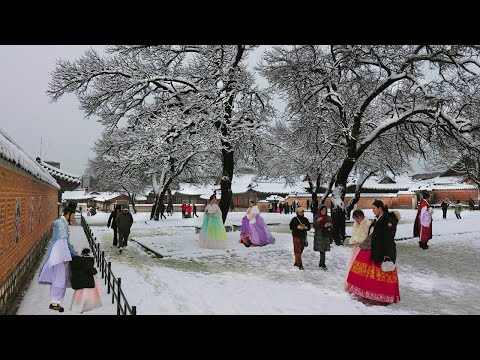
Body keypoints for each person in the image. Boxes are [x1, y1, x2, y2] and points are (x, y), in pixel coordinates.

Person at [345, 199, 401, 305]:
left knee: (381, 276)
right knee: (367, 275)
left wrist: (387, 254)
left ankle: (381, 297)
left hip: (382, 252)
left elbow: (388, 239)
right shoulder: (378, 219)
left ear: (380, 208)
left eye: (374, 208)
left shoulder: (387, 220)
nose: (373, 210)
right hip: (373, 249)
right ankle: (367, 294)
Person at [38, 204, 78, 313]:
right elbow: (62, 241)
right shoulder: (62, 224)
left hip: (57, 252)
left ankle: (55, 301)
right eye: (73, 215)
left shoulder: (60, 222)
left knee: (58, 277)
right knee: (60, 278)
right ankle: (55, 302)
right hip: (59, 254)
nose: (74, 217)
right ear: (69, 214)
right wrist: (66, 257)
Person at [70, 248, 102, 314]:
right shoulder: (88, 261)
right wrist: (95, 270)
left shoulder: (76, 261)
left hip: (78, 282)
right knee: (86, 295)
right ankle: (85, 307)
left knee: (79, 295)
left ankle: (78, 307)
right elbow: (91, 271)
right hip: (87, 282)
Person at [345, 209, 372, 287]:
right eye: (355, 218)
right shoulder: (355, 223)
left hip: (364, 247)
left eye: (358, 218)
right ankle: (352, 282)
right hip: (356, 246)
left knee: (361, 265)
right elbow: (354, 234)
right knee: (353, 263)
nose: (356, 220)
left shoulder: (368, 223)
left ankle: (360, 283)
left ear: (362, 216)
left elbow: (369, 236)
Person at [312, 204, 332, 269]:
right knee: (321, 249)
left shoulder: (328, 217)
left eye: (325, 210)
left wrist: (329, 225)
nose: (323, 211)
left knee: (324, 249)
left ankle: (322, 263)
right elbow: (314, 226)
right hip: (319, 235)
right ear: (320, 211)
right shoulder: (317, 217)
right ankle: (322, 262)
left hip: (326, 235)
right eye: (322, 210)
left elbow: (332, 226)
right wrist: (318, 221)